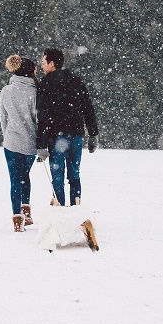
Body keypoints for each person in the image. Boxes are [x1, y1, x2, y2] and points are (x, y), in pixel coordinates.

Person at [35, 47, 98, 206]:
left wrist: (41, 144)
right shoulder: (76, 81)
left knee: (57, 177)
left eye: (43, 62)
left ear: (52, 64)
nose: (42, 66)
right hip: (75, 135)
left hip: (56, 137)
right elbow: (87, 108)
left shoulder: (45, 84)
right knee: (74, 175)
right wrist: (93, 133)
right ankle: (76, 209)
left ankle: (60, 212)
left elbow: (43, 115)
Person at [0, 54, 38, 232]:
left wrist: (7, 135)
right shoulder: (35, 92)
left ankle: (17, 219)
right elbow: (38, 119)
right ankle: (26, 210)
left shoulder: (7, 91)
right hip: (30, 144)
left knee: (15, 179)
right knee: (25, 176)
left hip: (11, 142)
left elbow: (3, 118)